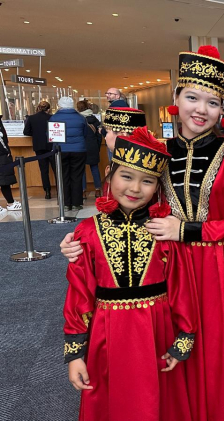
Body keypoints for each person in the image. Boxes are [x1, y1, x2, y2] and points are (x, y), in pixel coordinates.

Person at [63, 45, 224, 421]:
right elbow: (123, 198)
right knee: (167, 363)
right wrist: (79, 239)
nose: (201, 110)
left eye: (212, 102)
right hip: (163, 271)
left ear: (223, 108)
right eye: (192, 98)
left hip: (218, 272)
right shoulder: (158, 152)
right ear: (176, 99)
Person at [63, 127, 198, 421]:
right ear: (109, 174)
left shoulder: (163, 230)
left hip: (156, 332)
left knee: (158, 401)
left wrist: (184, 336)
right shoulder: (88, 232)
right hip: (107, 334)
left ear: (157, 187)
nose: (135, 188)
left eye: (147, 181)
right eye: (126, 176)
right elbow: (79, 294)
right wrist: (75, 354)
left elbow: (181, 287)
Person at [49, 96, 93, 211]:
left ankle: (65, 203)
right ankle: (76, 203)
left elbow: (49, 135)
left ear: (60, 105)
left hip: (60, 150)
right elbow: (85, 133)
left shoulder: (54, 118)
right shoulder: (80, 118)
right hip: (78, 150)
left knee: (63, 176)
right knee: (77, 176)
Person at [24, 101, 55, 199]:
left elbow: (26, 132)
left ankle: (47, 192)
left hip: (39, 146)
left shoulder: (31, 118)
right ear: (48, 109)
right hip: (51, 146)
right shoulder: (52, 117)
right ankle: (60, 190)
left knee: (43, 170)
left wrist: (36, 134)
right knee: (56, 168)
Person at [77, 100, 103, 199]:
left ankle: (83, 191)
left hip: (81, 146)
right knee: (95, 168)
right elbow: (99, 135)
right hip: (93, 146)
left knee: (82, 169)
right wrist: (97, 146)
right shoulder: (94, 119)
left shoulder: (78, 119)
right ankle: (98, 190)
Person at [0, 116, 21, 214]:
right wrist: (6, 151)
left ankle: (10, 202)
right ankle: (10, 203)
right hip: (2, 157)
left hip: (3, 156)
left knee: (4, 180)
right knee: (4, 180)